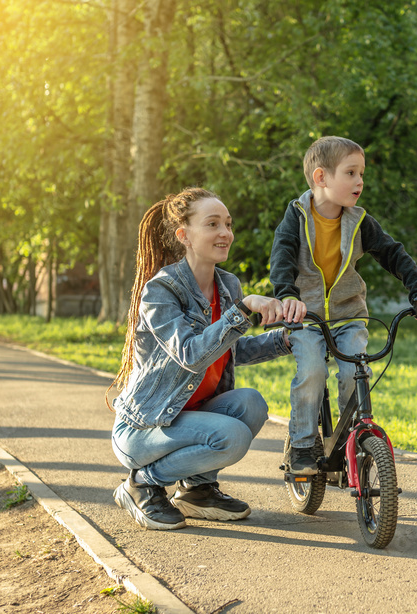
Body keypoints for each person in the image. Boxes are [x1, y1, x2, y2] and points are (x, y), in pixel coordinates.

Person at [110, 187, 290, 530]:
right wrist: (242, 310)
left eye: (228, 224)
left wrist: (287, 340)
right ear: (185, 235)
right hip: (146, 427)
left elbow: (229, 350)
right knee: (232, 436)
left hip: (187, 418)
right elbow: (191, 354)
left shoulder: (227, 286)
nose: (225, 233)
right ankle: (141, 483)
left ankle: (197, 489)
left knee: (251, 403)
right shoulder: (161, 291)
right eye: (212, 224)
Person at [269, 136, 417, 475]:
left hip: (349, 314)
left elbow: (394, 254)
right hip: (305, 315)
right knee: (313, 372)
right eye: (350, 173)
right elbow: (282, 257)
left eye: (361, 173)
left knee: (354, 373)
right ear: (321, 178)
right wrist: (287, 295)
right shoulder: (297, 217)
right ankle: (302, 445)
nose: (359, 181)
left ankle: (349, 443)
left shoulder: (359, 222)